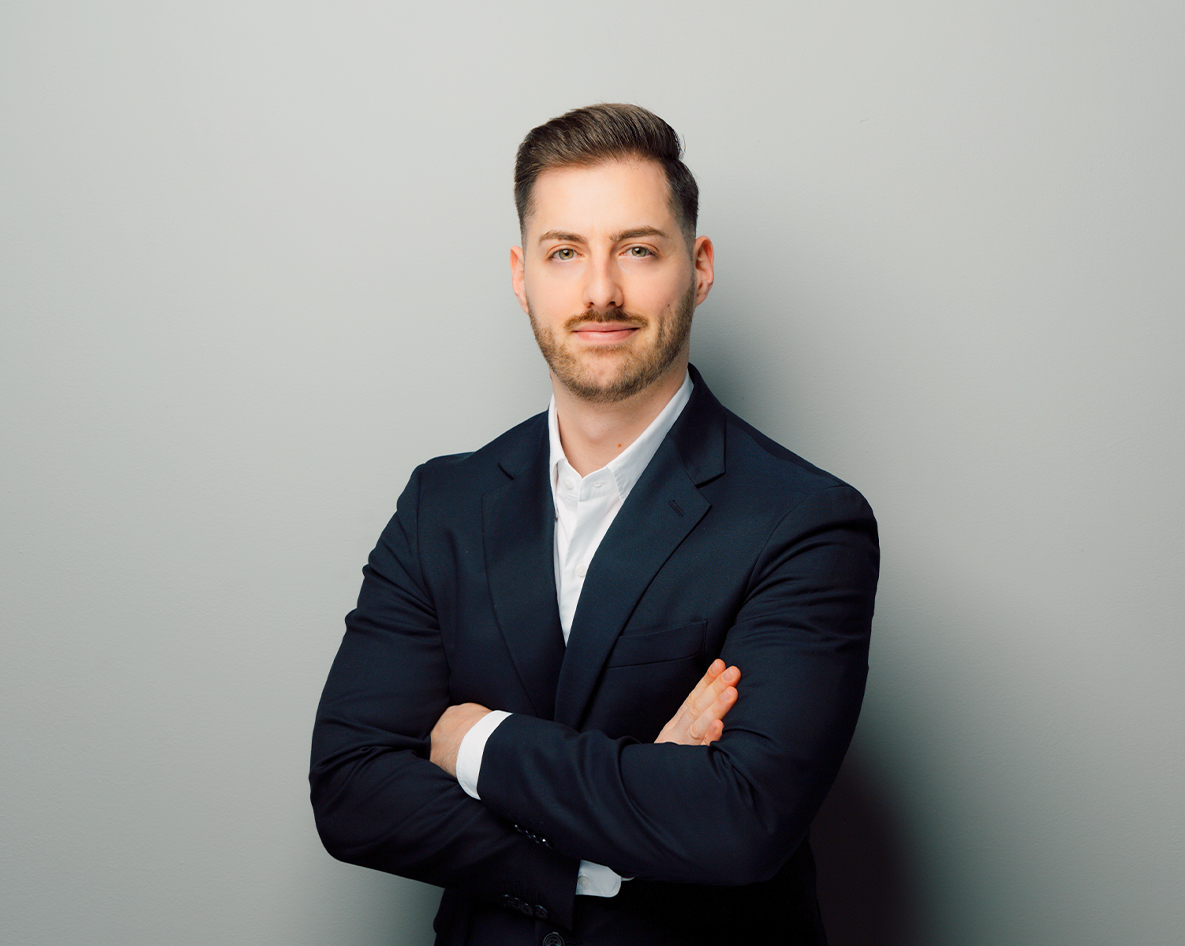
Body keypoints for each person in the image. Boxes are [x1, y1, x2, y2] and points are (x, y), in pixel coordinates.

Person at [311, 103, 879, 946]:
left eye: (637, 250)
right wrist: (605, 845)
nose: (600, 291)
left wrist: (474, 740)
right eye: (564, 253)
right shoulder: (442, 505)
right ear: (521, 276)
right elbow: (352, 788)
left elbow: (738, 819)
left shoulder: (804, 522)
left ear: (698, 267)